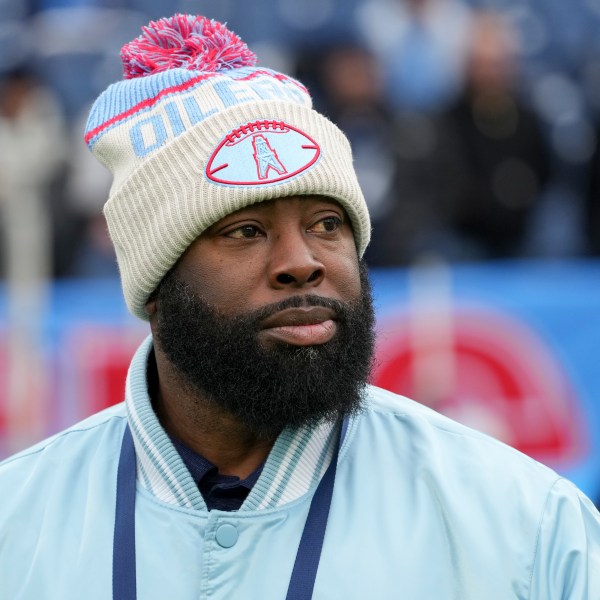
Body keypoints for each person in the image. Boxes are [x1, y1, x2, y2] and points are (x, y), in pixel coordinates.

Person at [0, 14, 598, 599]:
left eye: (327, 223)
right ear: (155, 282)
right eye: (245, 230)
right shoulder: (18, 522)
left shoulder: (527, 527)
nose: (303, 261)